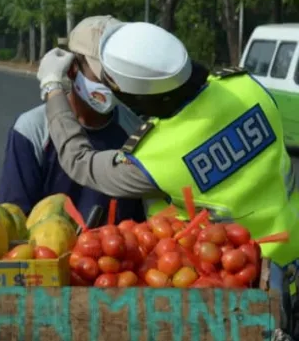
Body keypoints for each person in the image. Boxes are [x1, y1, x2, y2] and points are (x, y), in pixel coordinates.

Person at [37, 22, 299, 329]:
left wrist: (53, 87)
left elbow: (80, 160)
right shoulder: (245, 86)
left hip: (236, 288)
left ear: (132, 96)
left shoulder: (157, 157)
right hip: (291, 256)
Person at [0, 16, 146, 223]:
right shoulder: (31, 131)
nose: (113, 85)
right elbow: (14, 219)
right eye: (104, 75)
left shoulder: (136, 132)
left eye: (118, 75)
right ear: (72, 69)